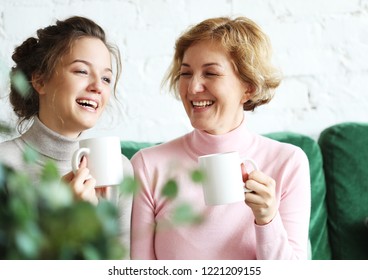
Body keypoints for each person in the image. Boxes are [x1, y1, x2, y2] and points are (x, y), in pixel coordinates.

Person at [130, 16, 311, 260]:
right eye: (186, 74)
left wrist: (267, 219)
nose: (193, 88)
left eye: (211, 73)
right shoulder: (147, 165)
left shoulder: (287, 163)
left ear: (248, 87)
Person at [0, 16, 132, 258]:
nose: (98, 86)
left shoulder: (120, 169)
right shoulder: (4, 164)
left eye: (106, 78)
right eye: (82, 71)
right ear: (40, 80)